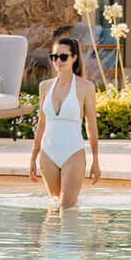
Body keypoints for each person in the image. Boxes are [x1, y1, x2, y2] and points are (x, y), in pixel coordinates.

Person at [29, 35, 100, 210]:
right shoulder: (45, 86)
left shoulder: (86, 87)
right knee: (54, 209)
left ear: (74, 57)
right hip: (48, 153)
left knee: (67, 208)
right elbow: (42, 123)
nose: (58, 61)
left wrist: (96, 160)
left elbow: (91, 126)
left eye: (63, 57)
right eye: (54, 57)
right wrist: (33, 157)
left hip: (73, 153)